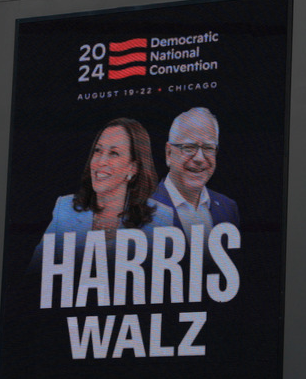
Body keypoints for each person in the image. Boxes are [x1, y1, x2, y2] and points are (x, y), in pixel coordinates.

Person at [31, 117, 174, 267]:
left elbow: (164, 284)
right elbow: (36, 275)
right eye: (98, 151)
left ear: (133, 167)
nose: (100, 162)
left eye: (114, 153)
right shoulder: (65, 208)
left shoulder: (160, 218)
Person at [152, 107, 239, 243]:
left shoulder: (227, 208)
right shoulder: (139, 209)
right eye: (189, 147)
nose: (199, 158)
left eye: (208, 148)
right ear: (169, 154)